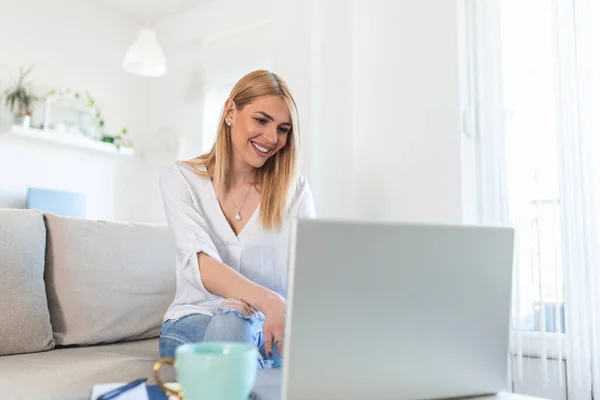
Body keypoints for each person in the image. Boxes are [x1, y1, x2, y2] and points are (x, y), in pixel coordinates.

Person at [158, 70, 315, 368]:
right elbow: (200, 263)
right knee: (233, 326)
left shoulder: (295, 192)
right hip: (196, 321)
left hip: (267, 327)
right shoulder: (181, 179)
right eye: (261, 120)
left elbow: (310, 274)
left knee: (247, 337)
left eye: (283, 129)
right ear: (231, 111)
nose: (272, 138)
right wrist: (269, 301)